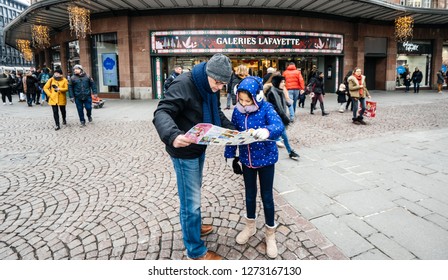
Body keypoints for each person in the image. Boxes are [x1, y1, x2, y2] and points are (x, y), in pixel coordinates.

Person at [153, 53, 235, 260]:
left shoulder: (209, 87)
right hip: (183, 150)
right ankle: (195, 251)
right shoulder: (183, 84)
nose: (219, 88)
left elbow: (216, 112)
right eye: (217, 82)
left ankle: (194, 228)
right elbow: (162, 112)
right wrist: (172, 135)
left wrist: (234, 133)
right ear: (208, 73)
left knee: (195, 192)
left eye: (223, 84)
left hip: (199, 147)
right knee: (191, 201)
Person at [224, 76, 284, 258]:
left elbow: (278, 125)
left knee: (267, 196)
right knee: (249, 194)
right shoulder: (237, 111)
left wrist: (266, 131)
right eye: (240, 100)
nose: (243, 103)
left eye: (247, 100)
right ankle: (250, 226)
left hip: (266, 159)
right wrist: (230, 155)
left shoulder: (266, 108)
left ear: (256, 96)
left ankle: (270, 234)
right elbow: (233, 133)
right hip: (246, 160)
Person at [266, 75, 300, 160]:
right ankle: (290, 151)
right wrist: (285, 118)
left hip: (280, 117)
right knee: (283, 135)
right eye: (281, 82)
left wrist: (288, 103)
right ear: (276, 83)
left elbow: (283, 103)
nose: (283, 84)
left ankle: (289, 151)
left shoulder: (280, 91)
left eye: (284, 82)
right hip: (275, 119)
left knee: (277, 136)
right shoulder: (272, 93)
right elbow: (276, 108)